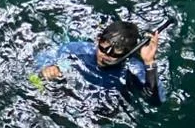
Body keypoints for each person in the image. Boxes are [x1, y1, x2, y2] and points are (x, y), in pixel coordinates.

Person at [33, 20, 166, 105]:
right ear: (98, 40)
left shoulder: (133, 69)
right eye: (103, 48)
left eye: (115, 54)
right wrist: (46, 70)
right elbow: (39, 63)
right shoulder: (79, 50)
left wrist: (149, 62)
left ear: (127, 54)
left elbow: (156, 101)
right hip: (73, 99)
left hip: (106, 111)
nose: (105, 56)